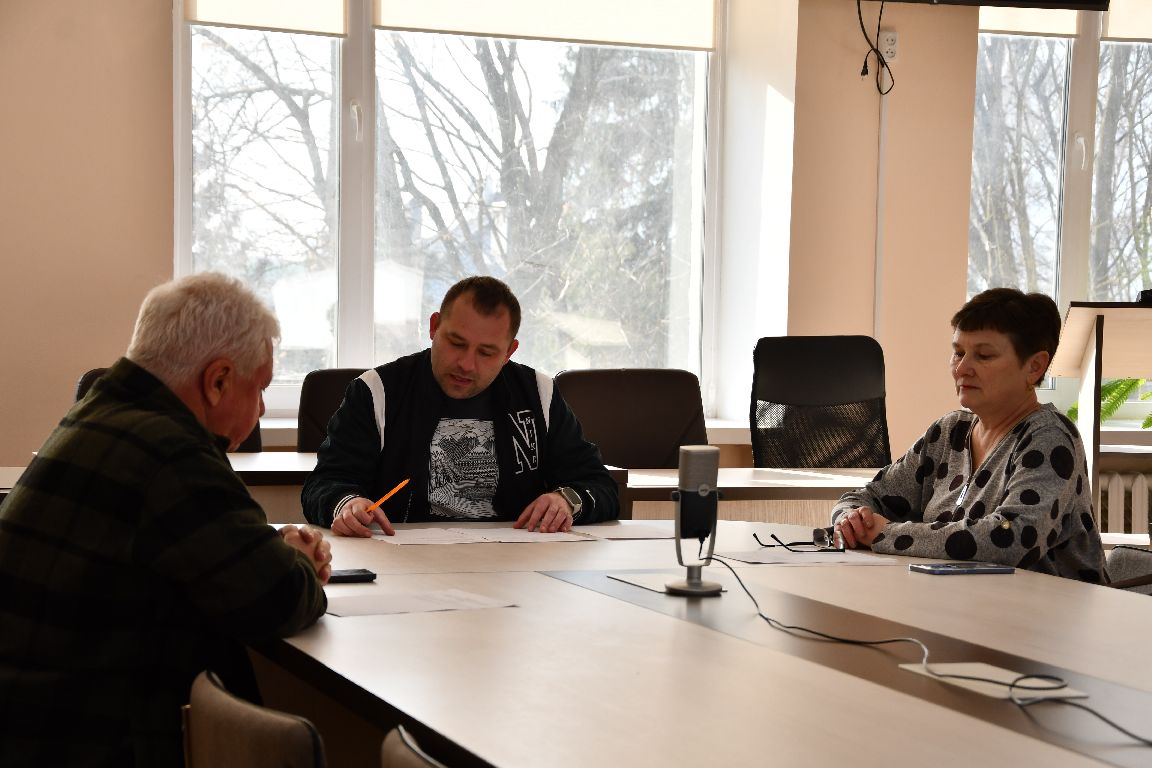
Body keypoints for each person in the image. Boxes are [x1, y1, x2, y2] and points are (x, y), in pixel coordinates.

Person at [0, 273, 332, 766]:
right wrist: (299, 559)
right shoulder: (171, 454)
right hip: (84, 740)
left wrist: (270, 550)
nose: (262, 409)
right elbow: (275, 599)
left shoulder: (99, 415)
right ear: (217, 381)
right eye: (260, 388)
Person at [302, 275, 619, 535]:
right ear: (434, 327)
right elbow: (325, 483)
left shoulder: (538, 394)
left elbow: (598, 484)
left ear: (509, 352)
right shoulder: (377, 392)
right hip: (401, 558)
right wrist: (346, 504)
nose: (466, 364)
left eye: (486, 353)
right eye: (456, 343)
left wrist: (566, 500)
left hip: (515, 563)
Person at [832, 288, 1105, 582]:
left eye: (984, 356)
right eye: (958, 353)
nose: (962, 368)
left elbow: (1010, 539)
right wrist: (851, 520)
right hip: (964, 602)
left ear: (1034, 367)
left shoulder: (1049, 437)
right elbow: (865, 497)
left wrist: (885, 534)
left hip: (1050, 608)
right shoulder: (948, 432)